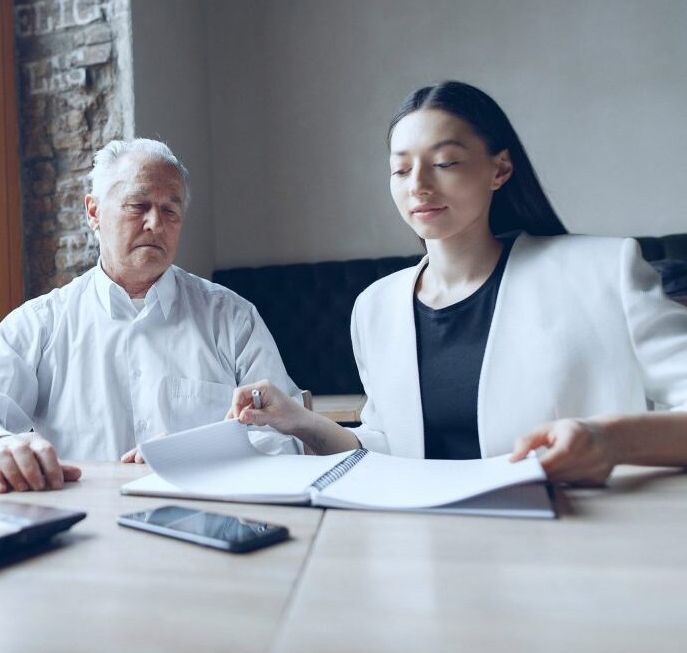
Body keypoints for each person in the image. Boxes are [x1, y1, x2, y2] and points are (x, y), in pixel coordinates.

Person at [229, 81, 687, 485]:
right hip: (430, 551)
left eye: (445, 162)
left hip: (581, 549)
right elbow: (392, 450)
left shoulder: (604, 271)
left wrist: (611, 441)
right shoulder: (376, 306)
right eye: (401, 169)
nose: (419, 185)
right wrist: (300, 421)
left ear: (500, 169)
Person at [0, 138, 301, 493]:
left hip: (212, 522)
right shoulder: (40, 324)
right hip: (80, 536)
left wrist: (202, 454)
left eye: (171, 210)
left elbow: (290, 431)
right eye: (138, 205)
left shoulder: (232, 317)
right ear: (93, 212)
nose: (156, 223)